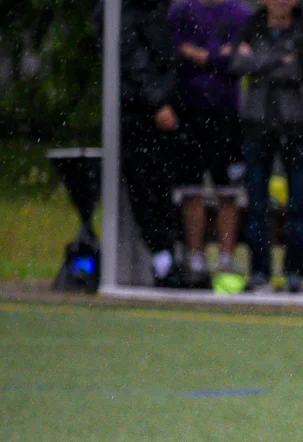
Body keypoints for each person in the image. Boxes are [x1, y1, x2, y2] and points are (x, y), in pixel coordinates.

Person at [232, 0, 303, 292]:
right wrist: (279, 60)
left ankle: (295, 272)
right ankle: (260, 272)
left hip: (296, 126)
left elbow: (297, 71)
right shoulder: (251, 28)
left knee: (298, 203)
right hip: (257, 124)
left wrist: (259, 63)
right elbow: (238, 65)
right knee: (257, 203)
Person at [168, 0, 253, 289]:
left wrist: (200, 55)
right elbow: (173, 52)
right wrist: (215, 57)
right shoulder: (180, 11)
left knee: (228, 191)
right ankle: (196, 259)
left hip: (226, 113)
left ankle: (226, 261)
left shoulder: (240, 14)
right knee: (191, 189)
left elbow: (240, 59)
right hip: (188, 112)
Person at [117, 0, 187, 284]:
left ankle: (170, 257)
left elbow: (164, 60)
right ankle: (163, 260)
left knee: (162, 186)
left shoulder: (155, 11)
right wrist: (157, 102)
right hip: (142, 114)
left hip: (162, 111)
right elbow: (134, 61)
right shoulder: (124, 14)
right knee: (146, 188)